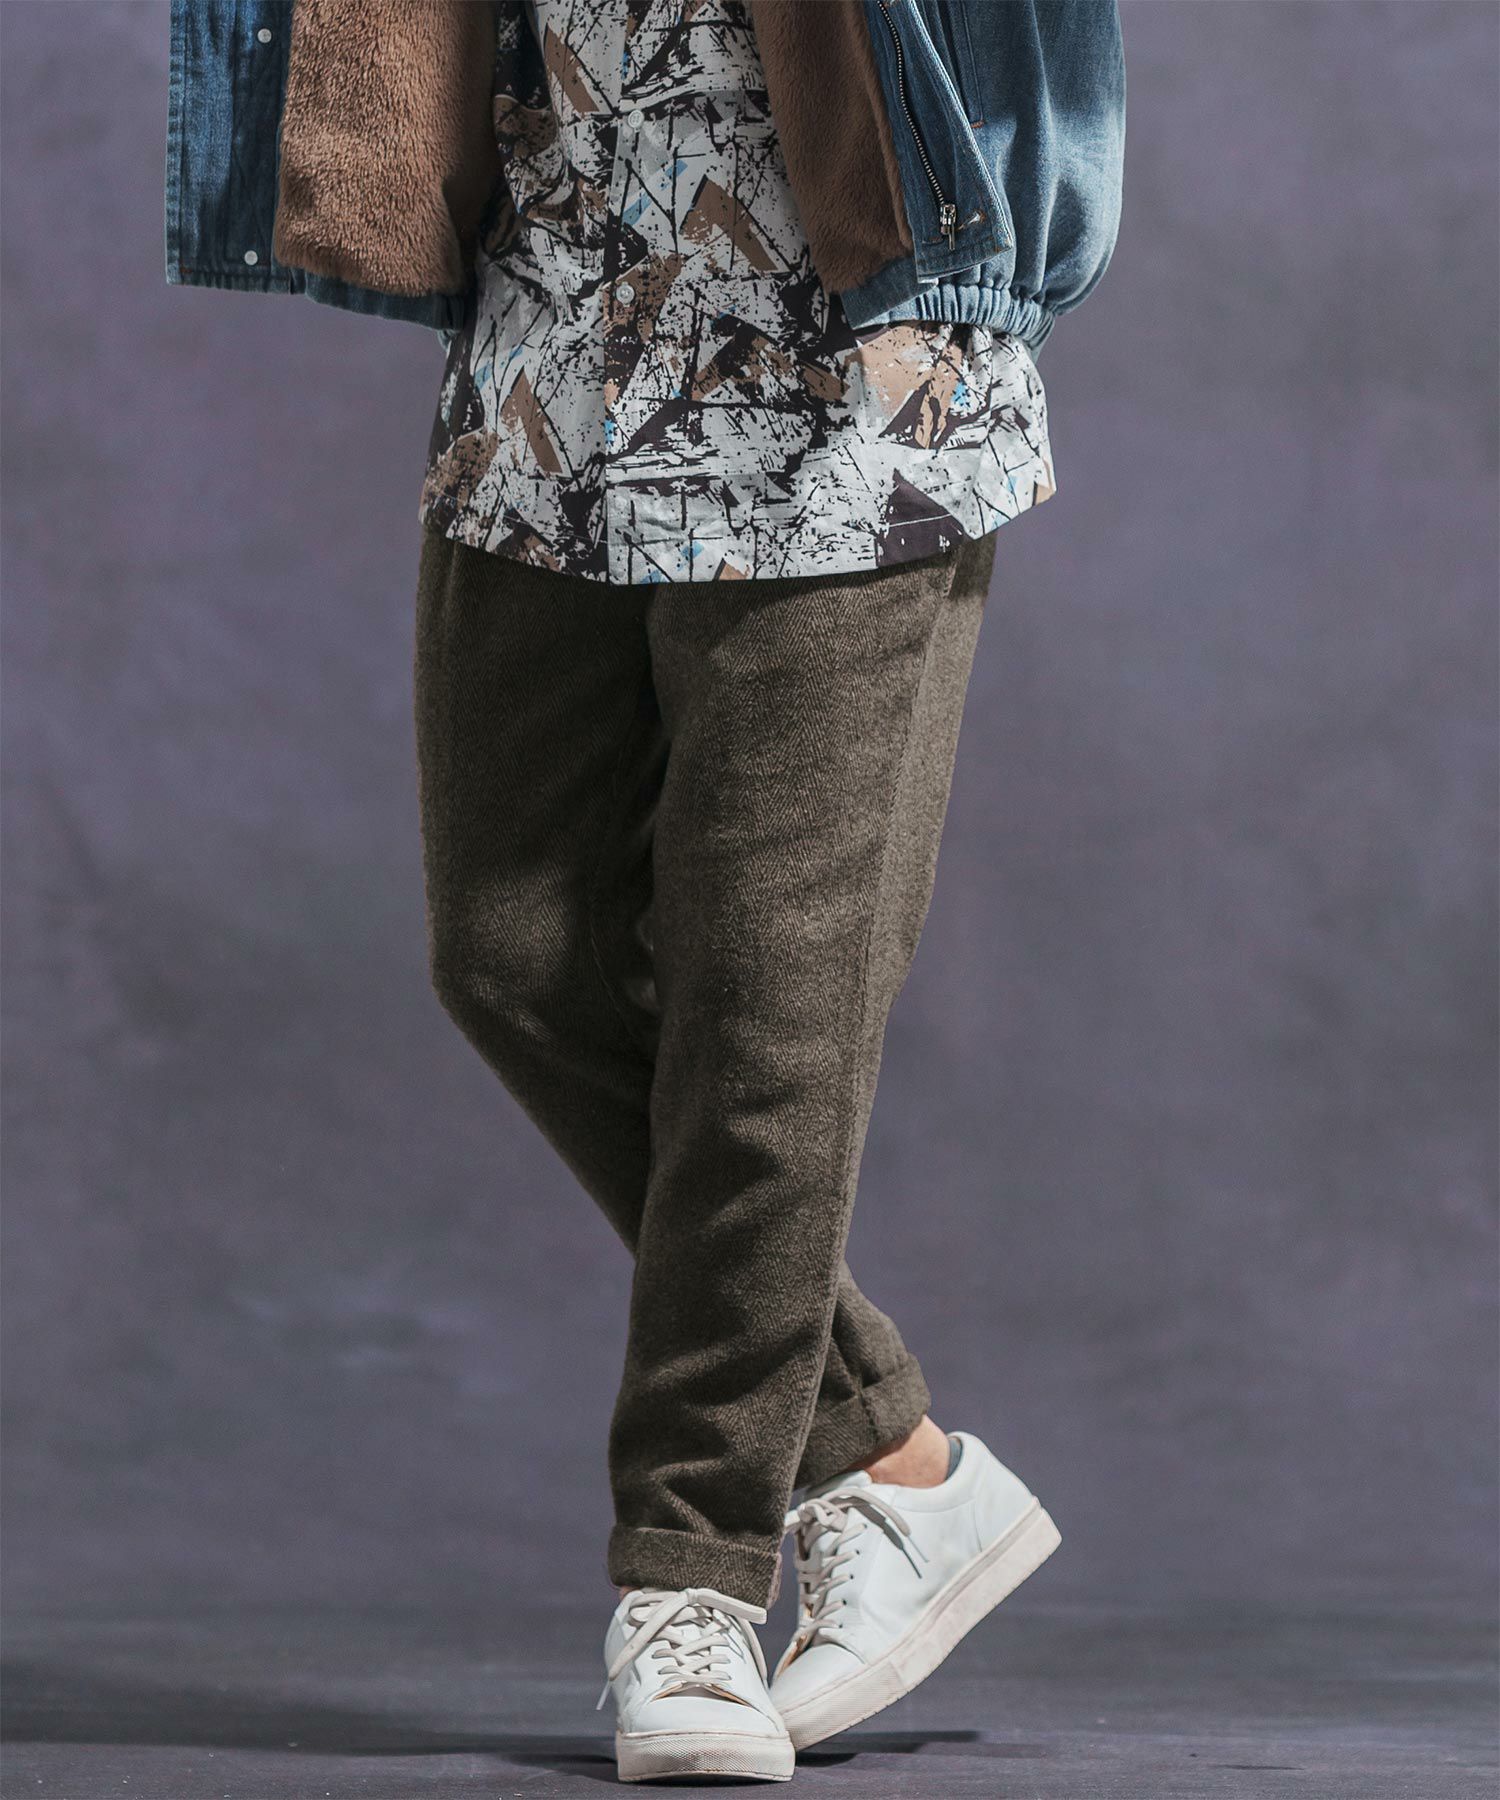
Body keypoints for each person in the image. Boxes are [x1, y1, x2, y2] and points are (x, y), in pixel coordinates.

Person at [167, 0, 1125, 1781]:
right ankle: (894, 1464)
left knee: (771, 1013)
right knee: (515, 956)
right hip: (558, 339)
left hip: (851, 363)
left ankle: (689, 1578)